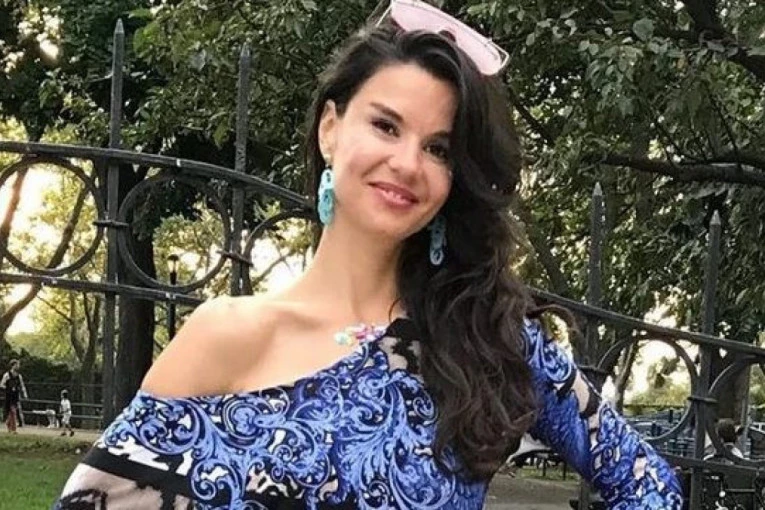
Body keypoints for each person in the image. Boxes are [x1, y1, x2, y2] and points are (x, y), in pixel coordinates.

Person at [55, 1, 683, 508]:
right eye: (386, 125)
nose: (407, 162)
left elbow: (647, 483)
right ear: (331, 128)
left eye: (438, 149)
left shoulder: (486, 336)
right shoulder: (227, 335)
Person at [1, 359, 28, 434]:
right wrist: (8, 388)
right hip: (8, 396)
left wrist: (25, 393)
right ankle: (13, 429)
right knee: (12, 411)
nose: (18, 366)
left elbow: (22, 385)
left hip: (15, 395)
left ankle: (10, 426)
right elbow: (2, 384)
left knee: (13, 411)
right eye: (17, 365)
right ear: (13, 365)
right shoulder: (7, 375)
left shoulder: (19, 376)